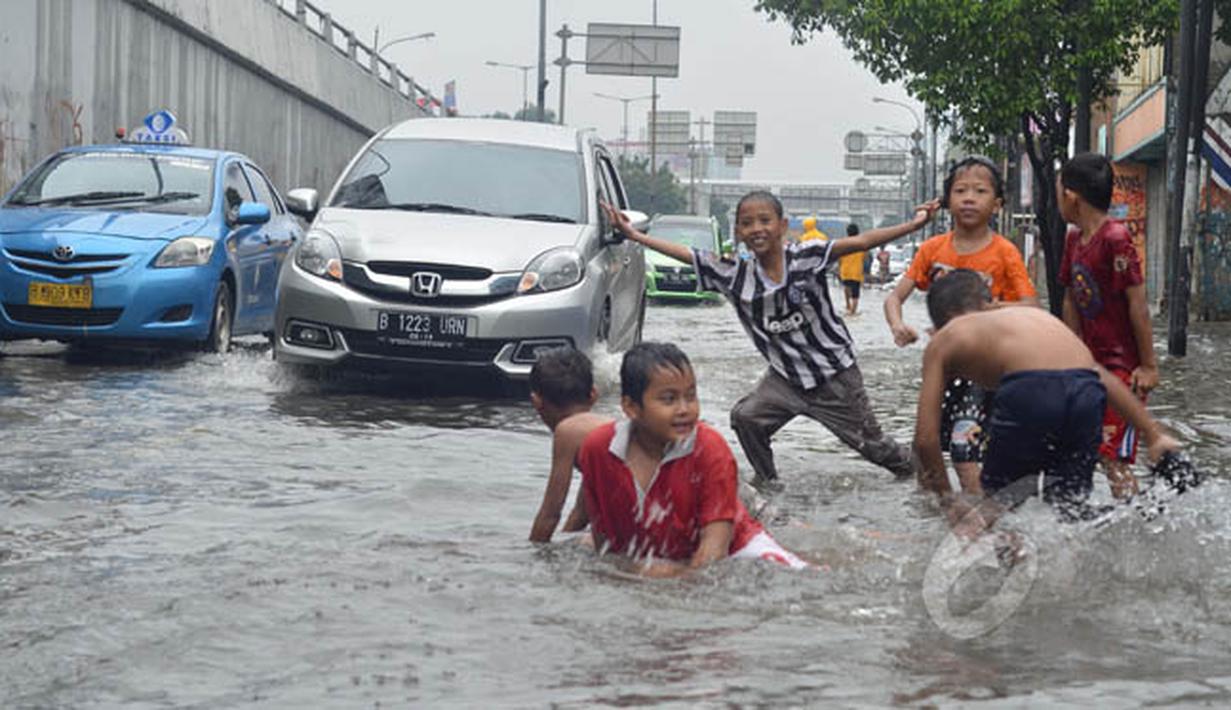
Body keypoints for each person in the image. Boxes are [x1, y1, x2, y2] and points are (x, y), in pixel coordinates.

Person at [603, 192, 938, 491]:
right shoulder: (733, 275)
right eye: (747, 223)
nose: (757, 228)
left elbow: (863, 241)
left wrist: (914, 224)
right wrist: (634, 235)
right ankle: (768, 485)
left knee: (877, 449)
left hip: (835, 377)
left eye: (765, 220)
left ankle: (927, 475)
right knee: (747, 418)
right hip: (785, 379)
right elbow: (689, 255)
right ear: (738, 233)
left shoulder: (808, 256)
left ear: (782, 225)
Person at [914, 270, 1179, 528]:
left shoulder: (945, 337)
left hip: (1030, 389)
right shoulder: (1035, 317)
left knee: (995, 509)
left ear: (941, 322)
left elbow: (925, 440)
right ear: (989, 303)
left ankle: (1008, 565)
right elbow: (1101, 377)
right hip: (1086, 392)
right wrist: (1152, 435)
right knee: (1070, 510)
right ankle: (1122, 536)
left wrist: (948, 501)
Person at [575, 342, 810, 576]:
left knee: (803, 577)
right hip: (662, 553)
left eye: (691, 396)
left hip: (737, 549)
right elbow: (604, 538)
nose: (684, 409)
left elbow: (713, 556)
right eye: (669, 399)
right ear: (631, 407)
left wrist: (666, 578)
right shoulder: (599, 450)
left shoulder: (709, 448)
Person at [883, 156, 1038, 492]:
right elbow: (894, 297)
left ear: (996, 204)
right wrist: (898, 326)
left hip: (986, 370)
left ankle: (978, 517)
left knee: (965, 450)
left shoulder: (1005, 252)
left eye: (980, 191)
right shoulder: (932, 249)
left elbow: (1030, 306)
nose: (969, 198)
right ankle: (931, 518)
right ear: (947, 201)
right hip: (943, 367)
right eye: (961, 190)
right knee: (924, 449)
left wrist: (986, 310)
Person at [1058, 152, 1159, 499]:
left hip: (1123, 370)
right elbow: (1070, 298)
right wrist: (1070, 354)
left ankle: (1138, 527)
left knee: (1113, 457)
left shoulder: (1116, 237)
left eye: (1058, 190)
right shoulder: (1073, 239)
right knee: (1092, 451)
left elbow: (1138, 305)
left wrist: (1147, 365)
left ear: (1071, 196)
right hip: (1089, 365)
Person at [527, 347, 613, 543]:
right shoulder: (604, 429)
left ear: (536, 402)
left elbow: (550, 513)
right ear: (593, 395)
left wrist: (531, 559)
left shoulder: (567, 432)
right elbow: (582, 513)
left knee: (588, 542)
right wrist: (562, 541)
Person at [838, 223, 866, 316]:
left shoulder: (843, 242)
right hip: (856, 272)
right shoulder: (861, 243)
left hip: (845, 271)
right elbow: (864, 257)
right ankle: (853, 312)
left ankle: (848, 305)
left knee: (846, 288)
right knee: (855, 294)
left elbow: (839, 257)